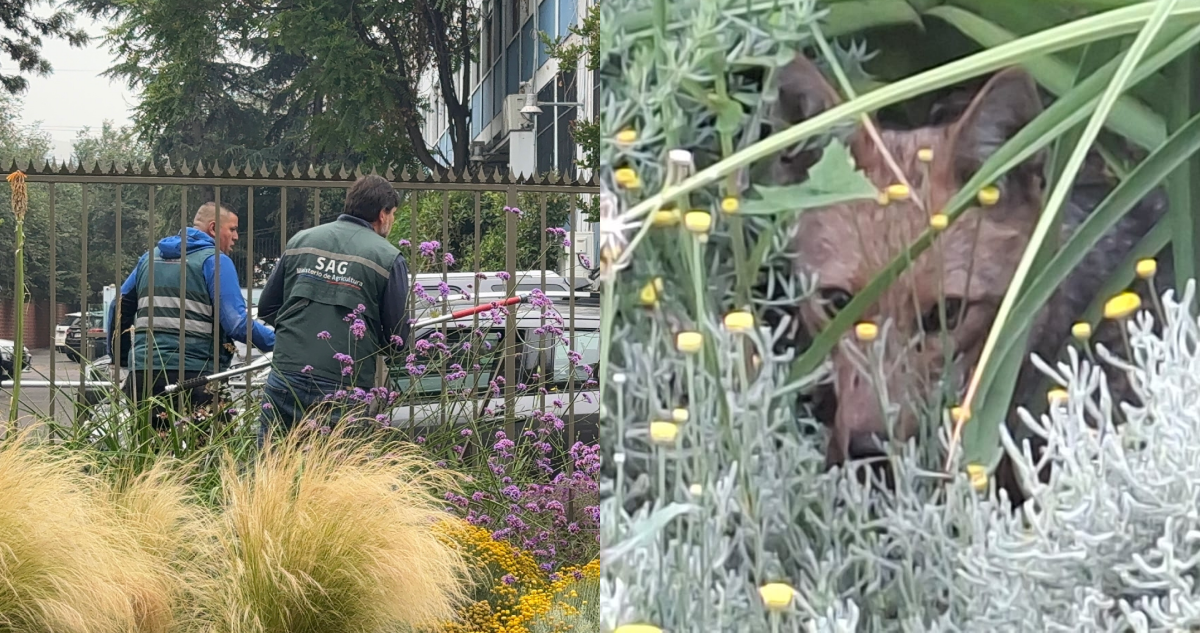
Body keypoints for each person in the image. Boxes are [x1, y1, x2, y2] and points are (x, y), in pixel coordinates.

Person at [256, 174, 410, 443]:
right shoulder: (387, 257)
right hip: (344, 385)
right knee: (334, 475)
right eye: (393, 213)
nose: (392, 220)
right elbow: (397, 338)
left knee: (271, 465)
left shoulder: (301, 241)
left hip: (287, 373)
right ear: (382, 214)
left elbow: (268, 307)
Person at [108, 201, 276, 432]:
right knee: (211, 455)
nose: (236, 236)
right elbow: (236, 323)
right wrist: (278, 342)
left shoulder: (148, 259)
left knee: (150, 456)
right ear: (214, 228)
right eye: (233, 229)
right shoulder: (215, 261)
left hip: (144, 375)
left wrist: (123, 359)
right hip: (197, 377)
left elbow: (118, 306)